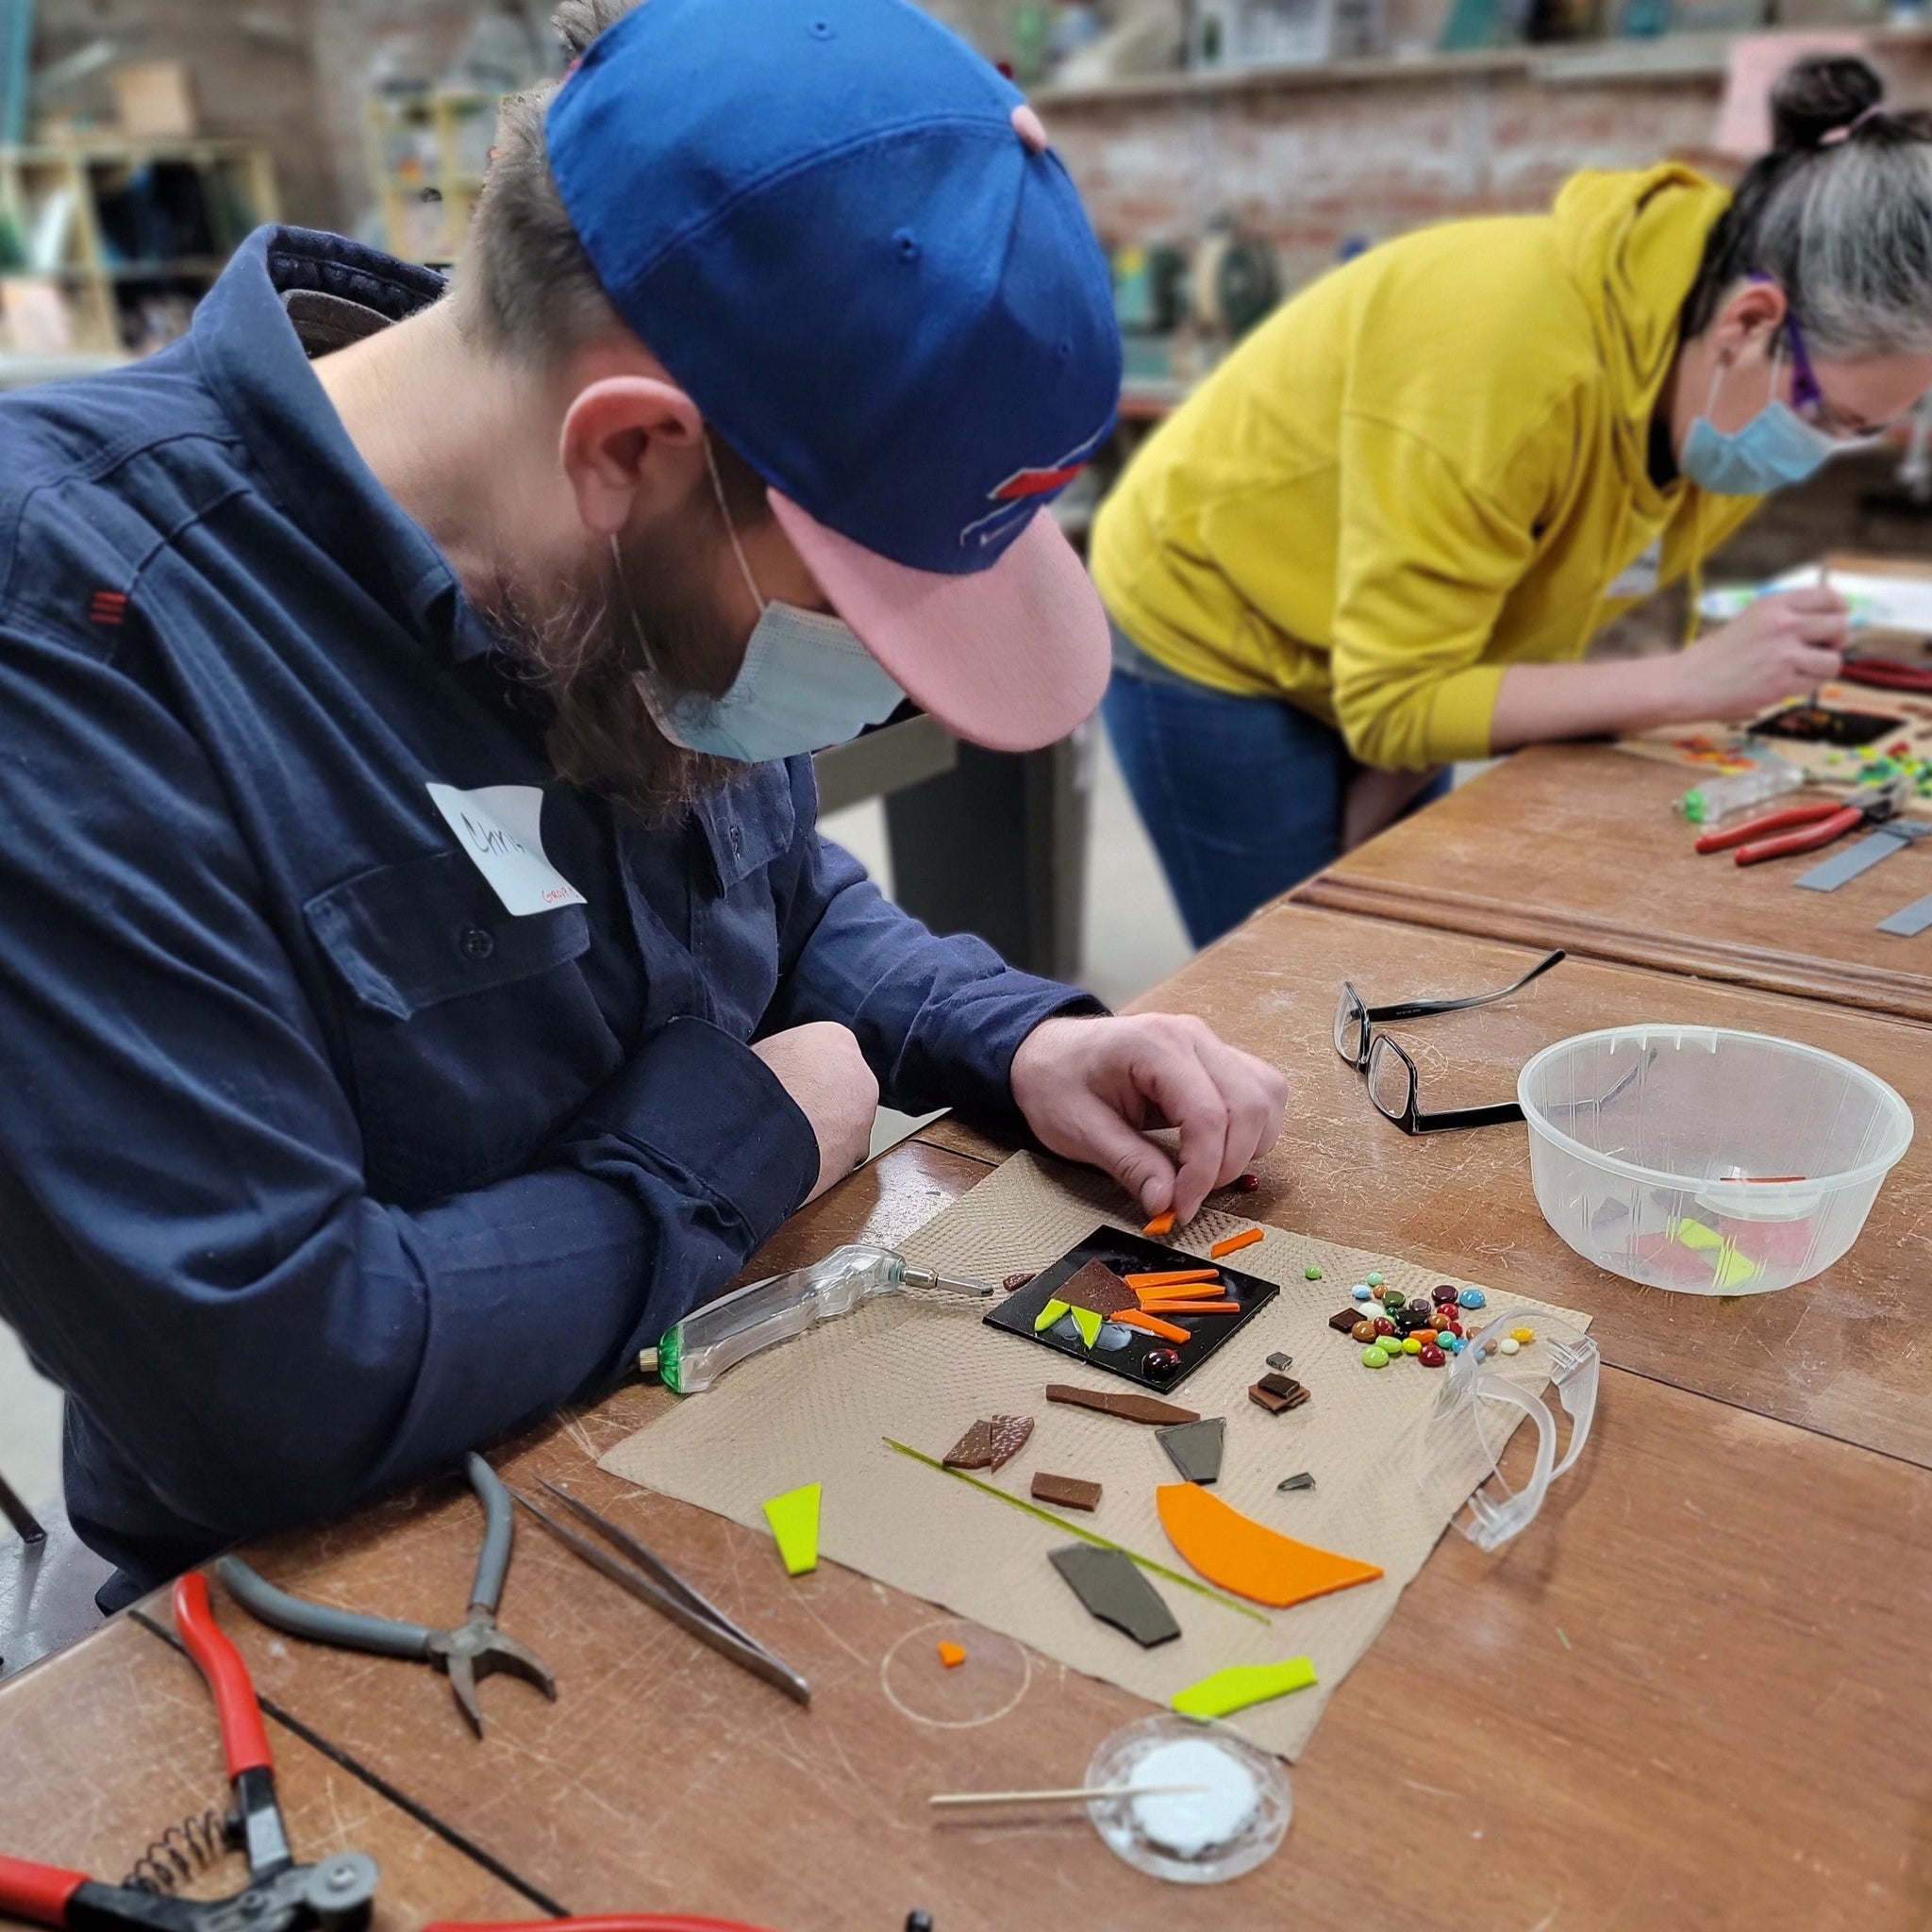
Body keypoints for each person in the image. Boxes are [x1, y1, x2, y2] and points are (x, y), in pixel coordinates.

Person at [0, 0, 1286, 1607]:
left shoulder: (609, 580)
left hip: (701, 1396)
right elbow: (264, 1383)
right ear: (632, 452)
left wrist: (1013, 1035)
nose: (877, 697)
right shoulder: (71, 632)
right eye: (857, 623)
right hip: (327, 1600)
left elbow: (770, 894)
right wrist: (744, 1135)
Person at [1091, 55, 1932, 947]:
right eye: (1830, 416)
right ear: (1751, 323)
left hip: (1386, 645)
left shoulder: (1714, 378)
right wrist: (1686, 683)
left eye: (1858, 429)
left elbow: (1480, 645)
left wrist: (1375, 827)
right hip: (1213, 613)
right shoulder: (1510, 374)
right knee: (1279, 971)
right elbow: (1397, 705)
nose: (1821, 450)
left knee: (1378, 931)